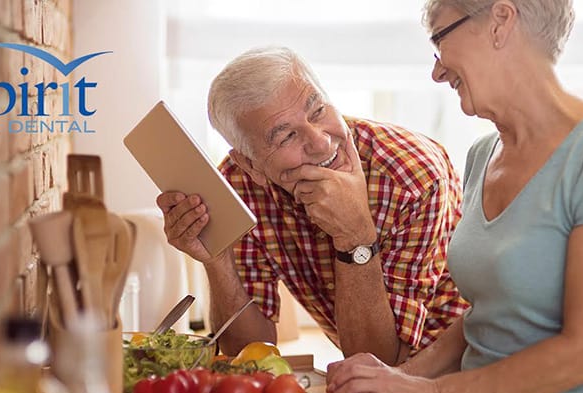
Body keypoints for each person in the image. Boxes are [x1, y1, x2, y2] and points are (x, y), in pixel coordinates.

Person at [325, 0, 583, 393]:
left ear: (500, 22)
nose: (436, 72)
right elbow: (489, 317)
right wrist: (399, 378)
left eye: (439, 39)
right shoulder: (482, 155)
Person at [156, 46, 468, 364]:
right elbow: (249, 354)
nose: (320, 142)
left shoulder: (413, 177)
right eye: (286, 136)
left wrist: (356, 236)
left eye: (317, 110)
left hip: (468, 366)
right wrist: (217, 260)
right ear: (250, 165)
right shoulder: (239, 185)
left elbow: (381, 361)